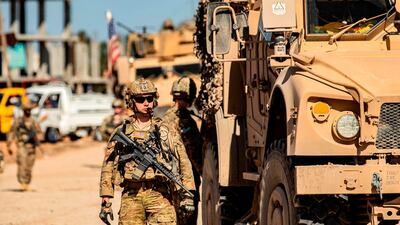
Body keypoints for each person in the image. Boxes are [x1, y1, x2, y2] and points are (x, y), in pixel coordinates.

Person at [99, 78, 196, 225]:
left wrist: (188, 193)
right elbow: (108, 165)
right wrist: (106, 199)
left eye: (149, 98)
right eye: (140, 99)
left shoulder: (164, 130)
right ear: (131, 102)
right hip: (131, 197)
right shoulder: (122, 132)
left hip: (160, 195)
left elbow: (183, 160)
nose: (146, 103)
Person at [162, 76, 203, 224]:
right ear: (189, 95)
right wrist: (204, 170)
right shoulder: (183, 120)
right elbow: (192, 151)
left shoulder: (166, 117)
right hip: (186, 179)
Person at [6, 102, 42, 191]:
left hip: (32, 146)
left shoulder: (33, 121)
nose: (28, 112)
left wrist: (37, 138)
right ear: (23, 111)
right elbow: (12, 132)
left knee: (29, 165)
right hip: (22, 145)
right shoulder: (18, 121)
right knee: (22, 164)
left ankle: (27, 183)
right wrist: (9, 145)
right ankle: (22, 183)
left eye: (29, 110)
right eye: (26, 110)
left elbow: (40, 133)